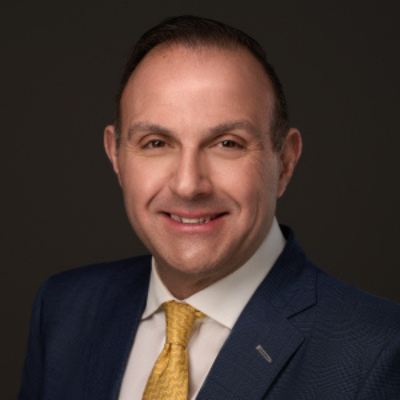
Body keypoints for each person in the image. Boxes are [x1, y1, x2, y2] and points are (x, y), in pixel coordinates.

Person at [19, 15, 400, 400]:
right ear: (116, 155)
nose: (188, 185)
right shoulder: (64, 311)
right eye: (156, 143)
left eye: (227, 144)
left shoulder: (378, 352)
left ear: (285, 161)